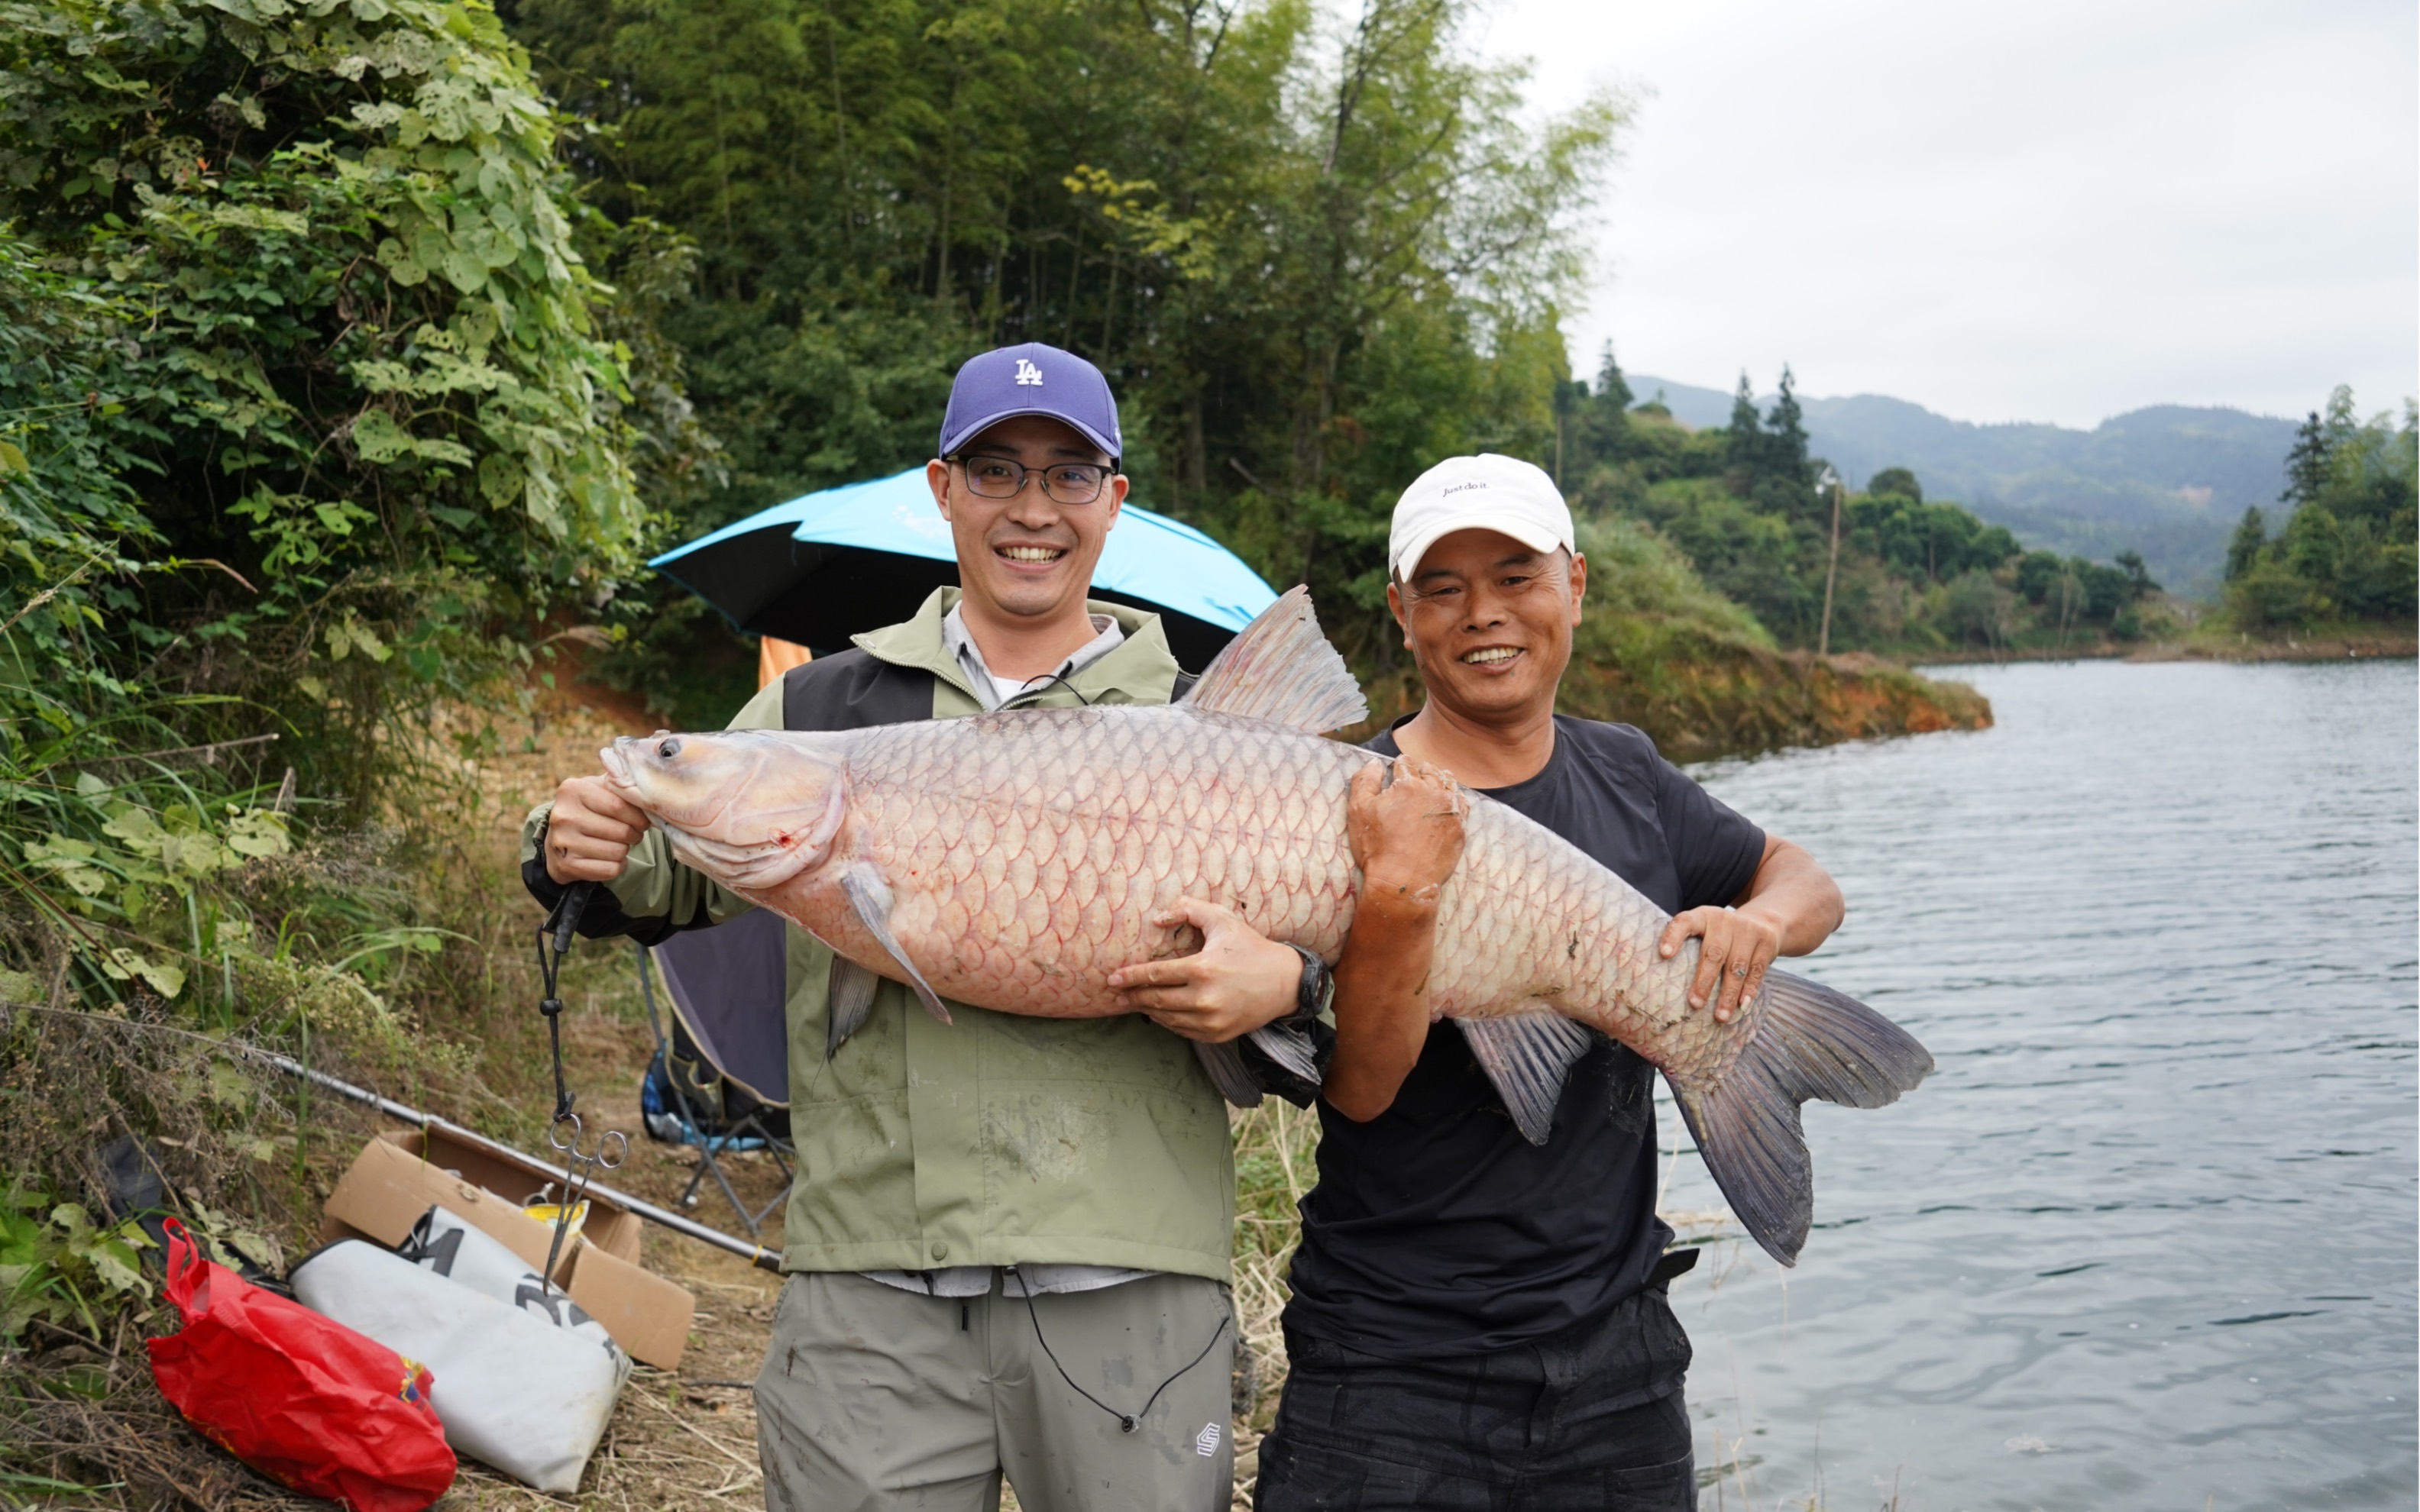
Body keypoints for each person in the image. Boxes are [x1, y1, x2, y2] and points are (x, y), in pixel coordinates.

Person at [523, 342, 1319, 1512]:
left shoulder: (1205, 725)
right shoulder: (816, 709)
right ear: (942, 490)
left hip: (1133, 1275)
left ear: (1116, 502)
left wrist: (1294, 982)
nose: (1031, 509)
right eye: (995, 472)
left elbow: (1359, 960)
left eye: (1068, 475)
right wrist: (574, 840)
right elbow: (667, 862)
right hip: (869, 1276)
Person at [1244, 453, 1852, 1511]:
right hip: (1388, 1363)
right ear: (1401, 611)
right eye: (1444, 587)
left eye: (1517, 576)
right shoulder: (1349, 804)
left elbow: (1805, 882)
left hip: (1618, 1364)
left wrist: (1755, 927)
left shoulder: (1630, 774)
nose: (1485, 614)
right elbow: (1360, 1091)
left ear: (1574, 585)